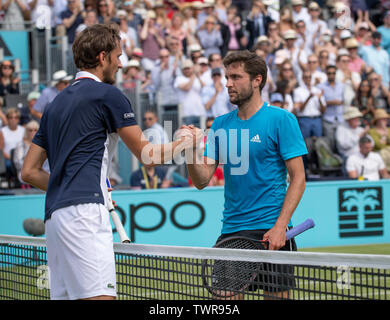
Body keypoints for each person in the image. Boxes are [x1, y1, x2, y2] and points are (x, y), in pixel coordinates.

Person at [21, 23, 199, 300]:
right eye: (118, 56)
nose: (120, 63)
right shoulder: (108, 95)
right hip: (84, 215)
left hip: (55, 219)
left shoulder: (54, 105)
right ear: (102, 57)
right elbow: (147, 154)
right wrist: (186, 143)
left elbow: (29, 172)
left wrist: (72, 185)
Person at [185, 50, 307, 299]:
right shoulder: (219, 124)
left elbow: (298, 178)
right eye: (227, 77)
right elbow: (201, 181)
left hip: (272, 232)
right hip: (232, 233)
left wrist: (280, 227)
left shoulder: (282, 120)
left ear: (257, 80)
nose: (228, 83)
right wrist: (188, 152)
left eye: (236, 77)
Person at [173, 59, 206, 127]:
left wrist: (198, 75)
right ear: (182, 70)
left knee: (201, 135)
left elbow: (205, 87)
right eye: (185, 69)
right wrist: (194, 74)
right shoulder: (179, 79)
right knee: (188, 135)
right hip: (186, 113)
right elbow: (187, 88)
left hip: (200, 112)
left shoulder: (197, 78)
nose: (187, 70)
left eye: (189, 68)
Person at [13, 120, 40, 187]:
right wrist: (31, 169)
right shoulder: (20, 145)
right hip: (25, 172)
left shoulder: (43, 146)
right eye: (30, 130)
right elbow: (18, 162)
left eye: (35, 130)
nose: (33, 132)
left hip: (41, 171)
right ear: (26, 132)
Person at [0, 108, 25, 178]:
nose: (13, 119)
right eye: (11, 117)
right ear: (7, 119)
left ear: (18, 119)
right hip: (8, 158)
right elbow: (1, 150)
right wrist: (12, 158)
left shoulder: (23, 130)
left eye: (16, 117)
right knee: (10, 165)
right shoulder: (2, 131)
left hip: (22, 157)